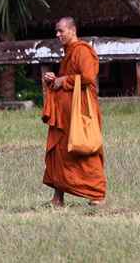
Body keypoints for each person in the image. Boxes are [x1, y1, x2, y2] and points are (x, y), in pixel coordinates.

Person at [41, 17, 107, 207]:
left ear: (73, 30)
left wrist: (64, 80)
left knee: (85, 148)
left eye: (61, 30)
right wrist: (55, 80)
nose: (58, 34)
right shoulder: (68, 53)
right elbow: (68, 80)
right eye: (57, 31)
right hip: (65, 114)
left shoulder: (83, 51)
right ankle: (58, 198)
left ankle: (97, 194)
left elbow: (87, 78)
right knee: (59, 151)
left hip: (81, 112)